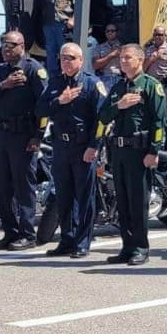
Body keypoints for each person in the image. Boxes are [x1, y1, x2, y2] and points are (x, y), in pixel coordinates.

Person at [100, 43, 167, 266]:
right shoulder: (119, 87)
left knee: (138, 202)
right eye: (121, 58)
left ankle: (140, 247)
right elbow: (103, 116)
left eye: (128, 58)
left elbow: (159, 122)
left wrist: (154, 151)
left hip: (139, 152)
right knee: (123, 201)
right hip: (118, 151)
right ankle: (127, 247)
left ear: (140, 60)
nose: (123, 61)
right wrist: (119, 105)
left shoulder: (150, 86)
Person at [37, 42, 105, 258]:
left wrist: (94, 146)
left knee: (84, 196)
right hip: (60, 147)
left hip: (82, 147)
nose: (66, 62)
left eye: (71, 58)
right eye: (63, 58)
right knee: (63, 196)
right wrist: (60, 100)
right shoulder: (55, 83)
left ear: (81, 60)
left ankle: (83, 241)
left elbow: (102, 119)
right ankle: (67, 238)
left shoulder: (92, 84)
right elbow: (40, 109)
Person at [0, 30, 48, 251]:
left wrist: (37, 136)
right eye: (3, 44)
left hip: (24, 136)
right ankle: (9, 233)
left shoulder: (33, 69)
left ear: (22, 46)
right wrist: (4, 85)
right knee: (4, 186)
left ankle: (27, 234)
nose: (5, 49)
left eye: (10, 45)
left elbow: (44, 106)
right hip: (3, 135)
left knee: (23, 186)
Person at [34, 0, 75, 76]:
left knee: (65, 51)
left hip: (64, 25)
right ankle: (53, 77)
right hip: (48, 24)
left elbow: (79, 5)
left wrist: (73, 19)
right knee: (50, 52)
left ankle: (67, 74)